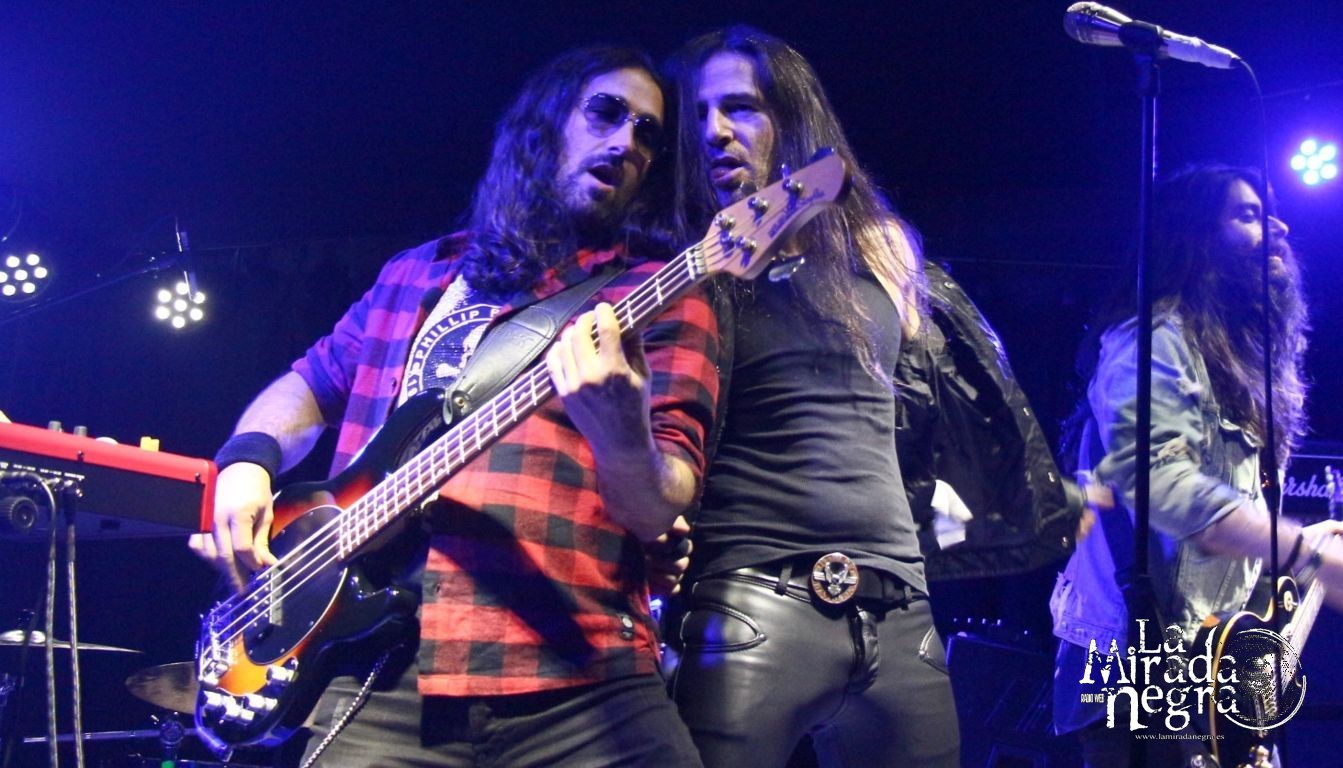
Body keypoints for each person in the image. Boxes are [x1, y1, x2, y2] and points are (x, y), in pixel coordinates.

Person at [190, 45, 718, 767]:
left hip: (578, 671)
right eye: (606, 112)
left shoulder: (656, 296)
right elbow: (308, 385)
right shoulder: (415, 273)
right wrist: (247, 461)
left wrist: (623, 429)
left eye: (647, 133)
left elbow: (660, 504)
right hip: (378, 670)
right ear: (544, 123)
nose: (627, 141)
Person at [661, 26, 960, 767]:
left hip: (898, 601)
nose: (714, 131)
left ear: (792, 119)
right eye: (697, 115)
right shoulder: (681, 267)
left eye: (740, 107)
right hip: (747, 598)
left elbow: (919, 412)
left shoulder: (880, 246)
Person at [1050, 164, 1343, 766]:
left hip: (1213, 657)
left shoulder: (1235, 362)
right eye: (1249, 215)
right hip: (1130, 657)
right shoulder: (1152, 340)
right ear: (1195, 239)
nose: (1279, 227)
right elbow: (1161, 484)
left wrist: (1309, 547)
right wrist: (1304, 554)